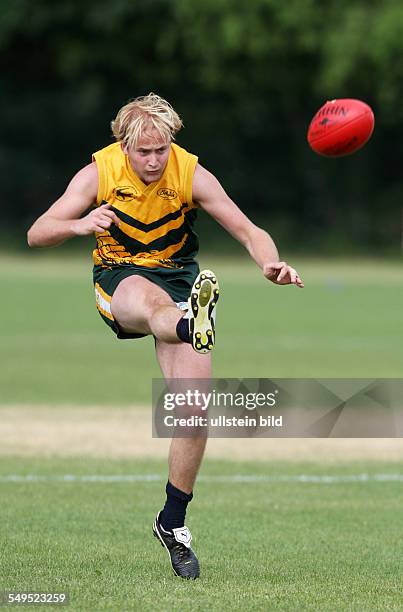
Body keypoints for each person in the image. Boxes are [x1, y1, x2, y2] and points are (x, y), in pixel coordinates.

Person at [27, 93, 304, 580]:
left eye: (162, 149)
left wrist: (269, 263)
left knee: (195, 410)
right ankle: (189, 321)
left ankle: (172, 523)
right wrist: (79, 224)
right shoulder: (99, 172)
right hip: (120, 277)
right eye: (145, 152)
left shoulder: (191, 172)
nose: (155, 160)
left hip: (179, 276)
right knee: (156, 307)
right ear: (126, 146)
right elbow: (38, 231)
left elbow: (247, 229)